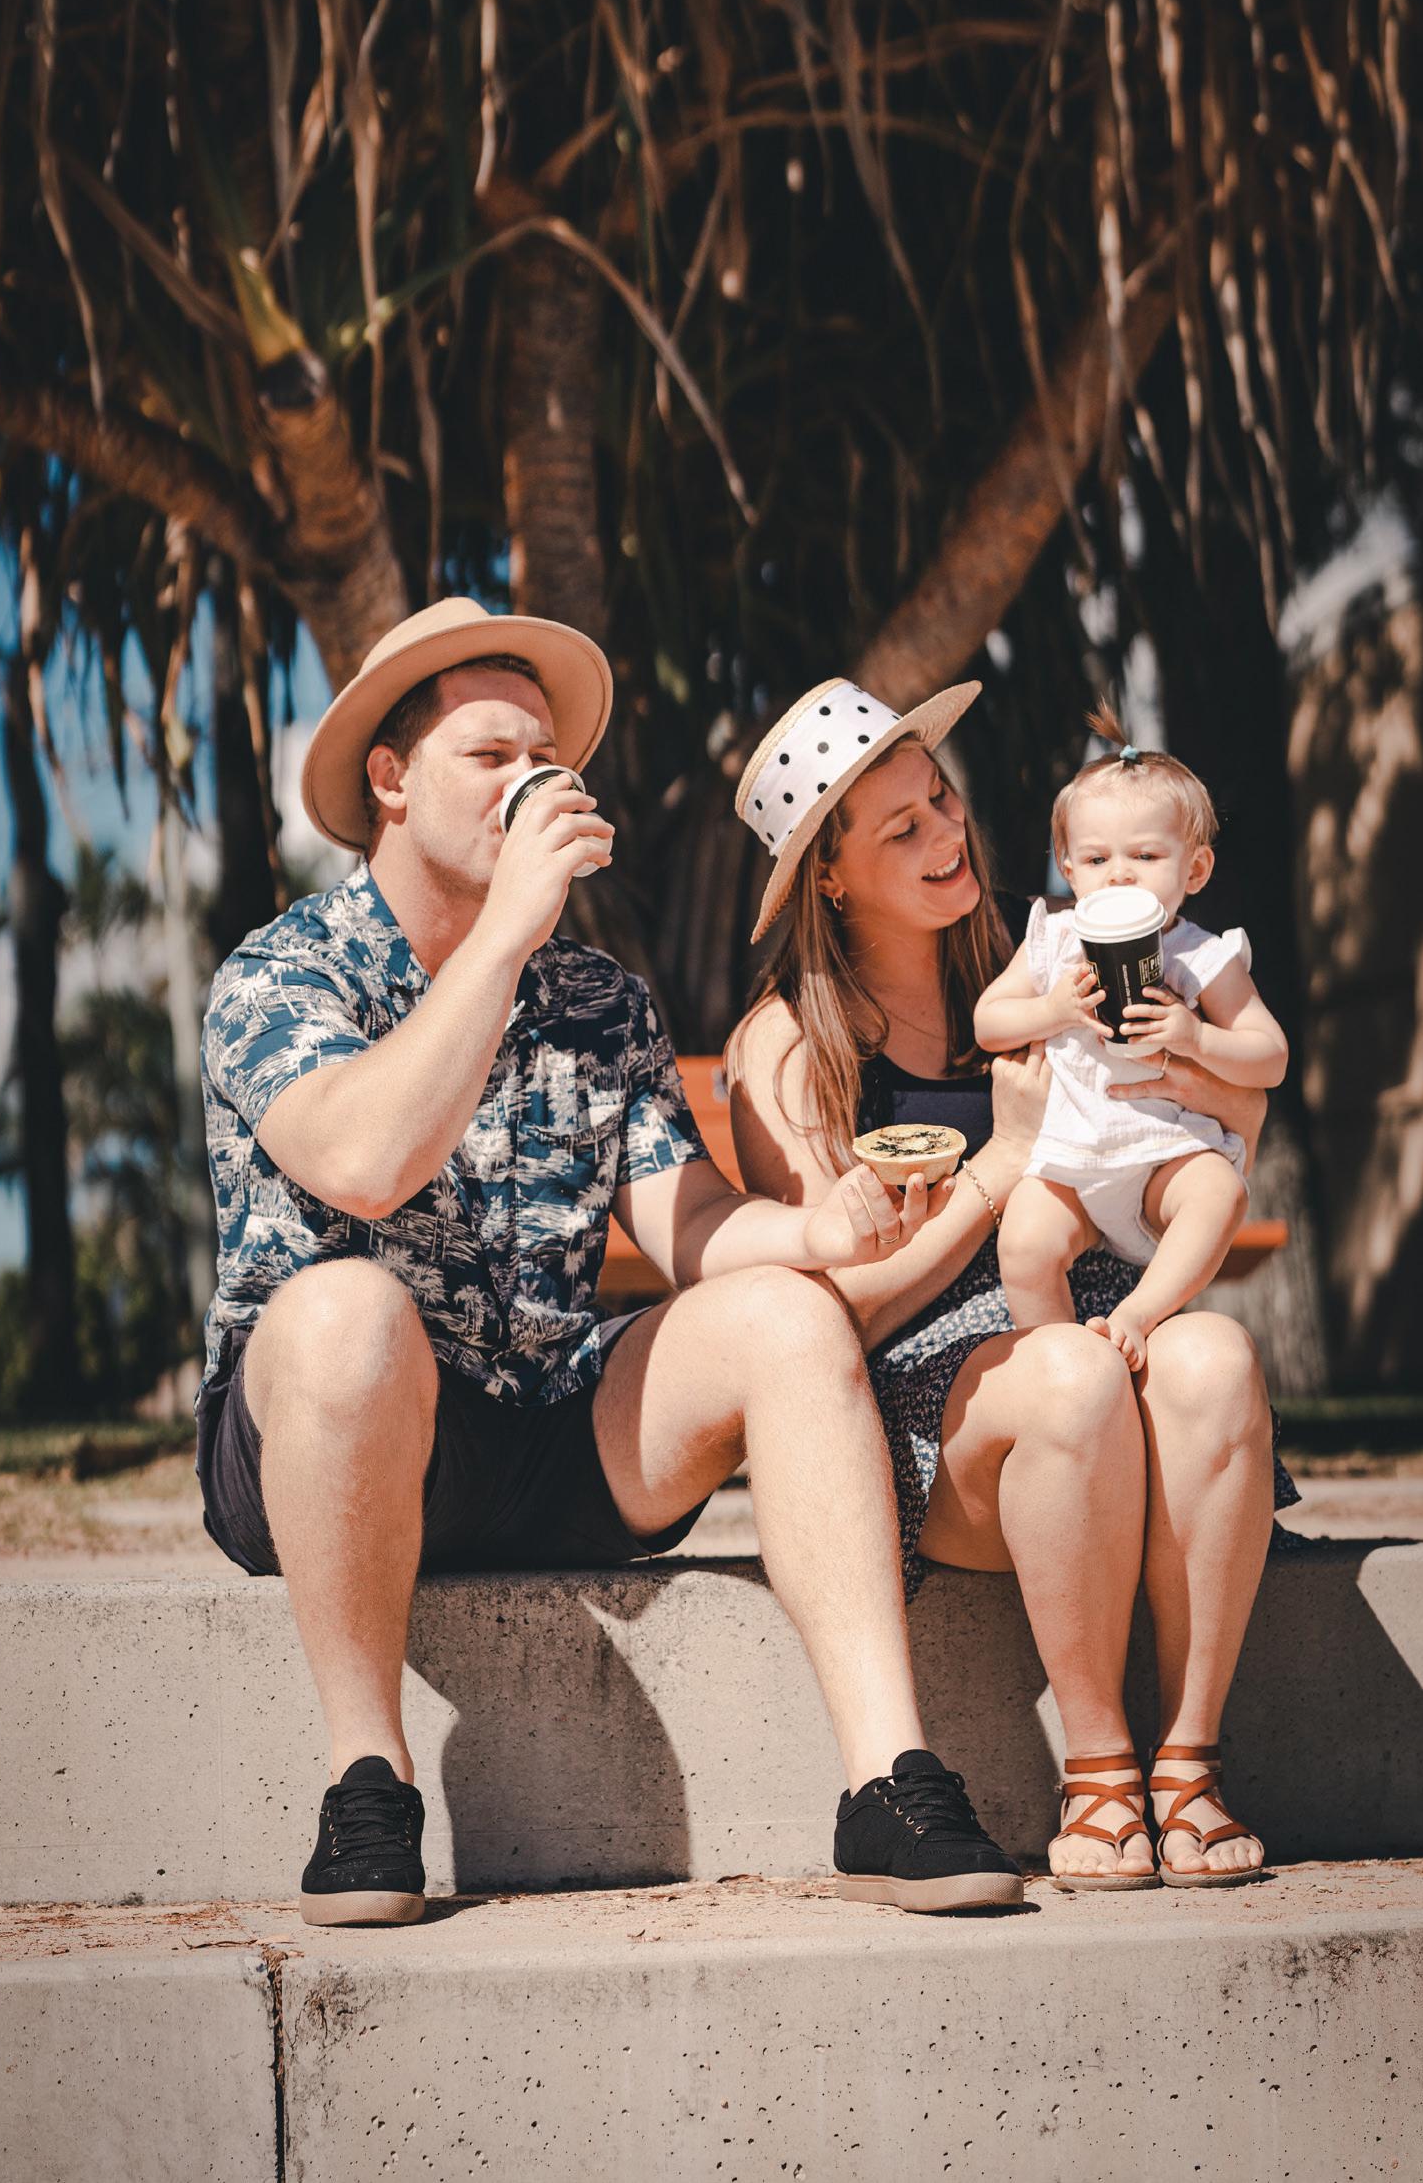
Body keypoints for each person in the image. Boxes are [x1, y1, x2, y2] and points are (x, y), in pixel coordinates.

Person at [195, 598, 1026, 1928]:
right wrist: (503, 938)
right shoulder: (284, 973)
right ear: (391, 779)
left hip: (550, 1427)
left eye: (546, 758)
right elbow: (362, 1161)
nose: (531, 781)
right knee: (346, 1312)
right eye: (490, 754)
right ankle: (367, 1782)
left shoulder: (597, 999)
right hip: (331, 1440)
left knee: (785, 1314)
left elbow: (687, 1221)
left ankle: (888, 1780)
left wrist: (817, 1234)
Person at [728, 677, 1300, 1890]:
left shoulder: (1058, 947)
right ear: (829, 878)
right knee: (1068, 1376)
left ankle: (1188, 1765)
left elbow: (1237, 1103)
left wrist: (1196, 1081)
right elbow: (821, 1315)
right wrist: (1002, 1163)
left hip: (1109, 1320)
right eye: (901, 828)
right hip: (944, 1405)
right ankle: (1097, 1775)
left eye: (941, 799)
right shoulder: (788, 1045)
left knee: (1213, 1358)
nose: (947, 834)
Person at [974, 708, 1289, 1371]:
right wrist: (1053, 1009)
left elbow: (1270, 1057)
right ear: (1069, 869)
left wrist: (1196, 1038)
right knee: (1025, 1242)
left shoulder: (1199, 956)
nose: (1119, 874)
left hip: (1163, 1155)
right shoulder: (1055, 941)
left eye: (1145, 856)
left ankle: (1139, 1315)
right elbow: (989, 1022)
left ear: (1194, 870)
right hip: (1071, 1157)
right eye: (1096, 858)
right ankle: (1060, 1372)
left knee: (1220, 1192)